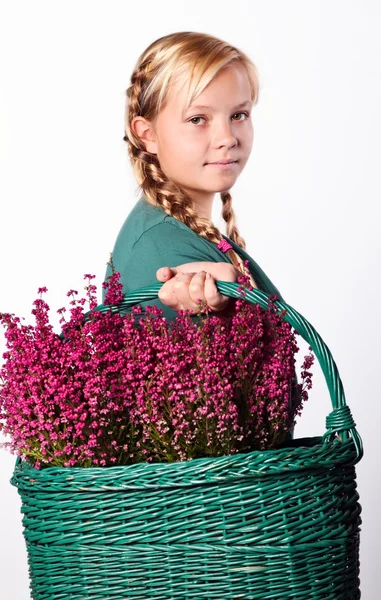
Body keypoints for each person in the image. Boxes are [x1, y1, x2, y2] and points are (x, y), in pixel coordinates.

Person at [103, 31, 296, 439]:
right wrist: (206, 292)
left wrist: (230, 292)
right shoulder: (160, 247)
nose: (227, 136)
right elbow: (190, 436)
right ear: (146, 133)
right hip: (211, 501)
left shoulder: (182, 230)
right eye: (197, 119)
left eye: (239, 114)